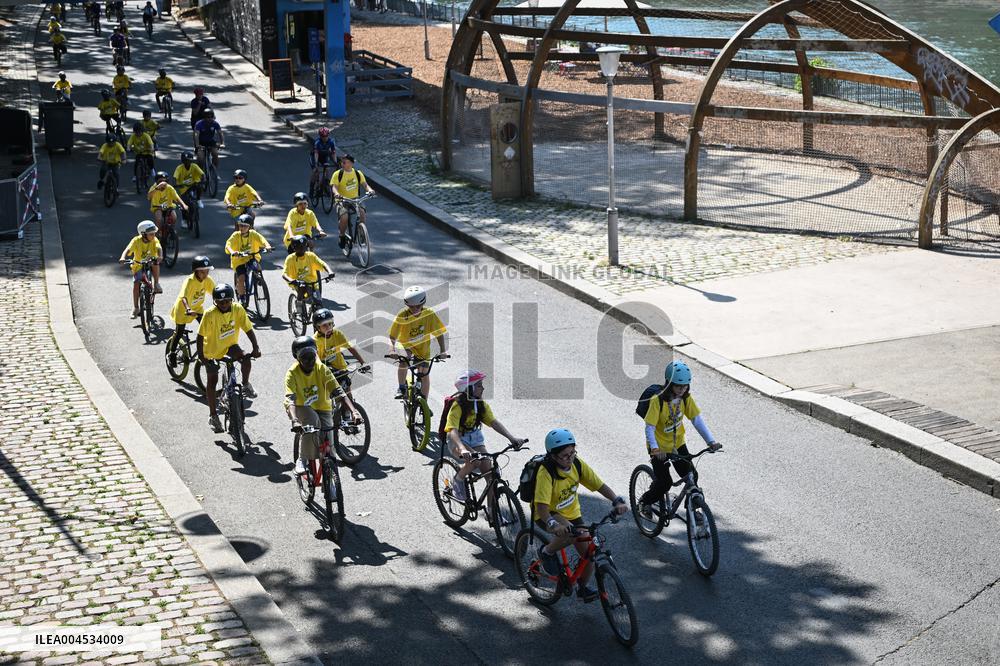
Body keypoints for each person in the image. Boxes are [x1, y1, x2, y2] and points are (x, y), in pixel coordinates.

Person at [532, 428, 629, 602]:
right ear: (553, 456)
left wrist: (616, 500)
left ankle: (582, 588)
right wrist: (554, 525)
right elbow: (541, 508)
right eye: (564, 455)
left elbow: (599, 485)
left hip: (572, 513)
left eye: (572, 452)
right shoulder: (546, 473)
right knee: (569, 534)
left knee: (589, 553)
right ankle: (546, 552)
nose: (570, 458)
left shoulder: (577, 464)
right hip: (547, 514)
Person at [637, 360, 722, 522]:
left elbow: (696, 419)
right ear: (669, 384)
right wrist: (655, 449)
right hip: (659, 448)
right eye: (678, 386)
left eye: (685, 386)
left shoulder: (685, 399)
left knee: (692, 475)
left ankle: (693, 508)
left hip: (677, 445)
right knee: (665, 483)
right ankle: (644, 502)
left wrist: (711, 442)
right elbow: (649, 428)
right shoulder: (658, 401)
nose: (682, 390)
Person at [445, 370, 527, 502]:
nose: (482, 388)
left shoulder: (480, 404)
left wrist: (512, 438)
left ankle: (492, 512)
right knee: (475, 461)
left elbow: (493, 423)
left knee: (489, 472)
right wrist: (462, 448)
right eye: (479, 385)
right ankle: (457, 480)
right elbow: (452, 430)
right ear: (468, 389)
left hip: (475, 438)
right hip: (457, 440)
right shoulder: (457, 406)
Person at [285, 336, 361, 475]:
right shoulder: (292, 373)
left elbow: (339, 392)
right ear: (297, 358)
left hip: (323, 407)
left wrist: (354, 412)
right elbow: (290, 399)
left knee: (329, 449)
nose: (309, 361)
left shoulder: (322, 369)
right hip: (301, 407)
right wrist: (295, 420)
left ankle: (329, 481)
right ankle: (302, 459)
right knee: (312, 422)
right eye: (304, 357)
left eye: (312, 355)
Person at [197, 284, 261, 432]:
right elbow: (200, 336)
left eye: (227, 301)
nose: (224, 305)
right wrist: (201, 356)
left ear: (231, 300)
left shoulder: (238, 309)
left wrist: (255, 347)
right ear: (215, 302)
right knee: (212, 381)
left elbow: (248, 328)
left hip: (230, 346)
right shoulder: (209, 314)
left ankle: (245, 384)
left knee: (245, 358)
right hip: (212, 351)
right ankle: (213, 415)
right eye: (220, 302)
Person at [388, 285, 446, 400]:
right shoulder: (402, 315)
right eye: (411, 307)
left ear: (423, 303)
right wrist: (391, 349)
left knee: (424, 373)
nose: (414, 310)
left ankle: (424, 402)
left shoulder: (429, 314)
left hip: (423, 348)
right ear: (407, 304)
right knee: (404, 360)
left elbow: (439, 334)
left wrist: (443, 351)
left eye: (418, 307)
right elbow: (392, 335)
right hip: (406, 345)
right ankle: (401, 388)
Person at [312, 308, 367, 411]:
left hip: (340, 368)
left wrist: (362, 362)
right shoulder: (315, 340)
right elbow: (317, 361)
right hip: (325, 372)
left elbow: (350, 347)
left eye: (330, 324)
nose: (328, 327)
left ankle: (350, 417)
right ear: (317, 327)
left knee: (348, 395)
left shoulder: (337, 334)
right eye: (324, 325)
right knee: (328, 398)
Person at [166, 255, 215, 366]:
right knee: (179, 333)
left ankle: (206, 349)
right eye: (202, 272)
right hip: (183, 310)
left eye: (207, 271)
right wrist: (188, 309)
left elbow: (215, 292)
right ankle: (172, 354)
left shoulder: (207, 280)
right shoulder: (189, 281)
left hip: (197, 308)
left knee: (207, 328)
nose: (206, 274)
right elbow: (183, 297)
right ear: (196, 271)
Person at [330, 154, 375, 249]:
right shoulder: (338, 174)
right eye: (342, 162)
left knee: (362, 213)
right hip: (342, 200)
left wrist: (370, 190)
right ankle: (342, 235)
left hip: (355, 199)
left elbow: (365, 185)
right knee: (344, 217)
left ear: (351, 163)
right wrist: (337, 194)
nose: (342, 163)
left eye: (345, 162)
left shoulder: (358, 173)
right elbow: (334, 187)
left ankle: (361, 234)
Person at [118, 220, 163, 315]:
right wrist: (123, 257)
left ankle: (157, 284)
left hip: (150, 261)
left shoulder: (154, 240)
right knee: (136, 284)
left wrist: (160, 256)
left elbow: (159, 248)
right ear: (143, 234)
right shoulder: (136, 241)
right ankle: (135, 307)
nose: (153, 235)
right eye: (151, 234)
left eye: (154, 233)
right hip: (138, 264)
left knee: (155, 263)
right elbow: (128, 249)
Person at [225, 214, 272, 301]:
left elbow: (262, 239)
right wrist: (233, 252)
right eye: (240, 225)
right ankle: (242, 298)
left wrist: (267, 246)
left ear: (250, 227)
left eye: (244, 226)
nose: (241, 228)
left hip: (251, 257)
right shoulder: (236, 235)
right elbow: (228, 245)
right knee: (241, 278)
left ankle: (259, 279)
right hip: (239, 260)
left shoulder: (253, 234)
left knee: (257, 267)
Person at [282, 235, 331, 304]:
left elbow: (322, 264)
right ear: (294, 248)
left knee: (319, 303)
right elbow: (284, 274)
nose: (302, 249)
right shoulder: (290, 259)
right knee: (302, 287)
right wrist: (291, 280)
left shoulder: (311, 256)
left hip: (312, 283)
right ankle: (299, 304)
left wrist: (330, 272)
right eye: (299, 247)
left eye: (304, 246)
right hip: (298, 283)